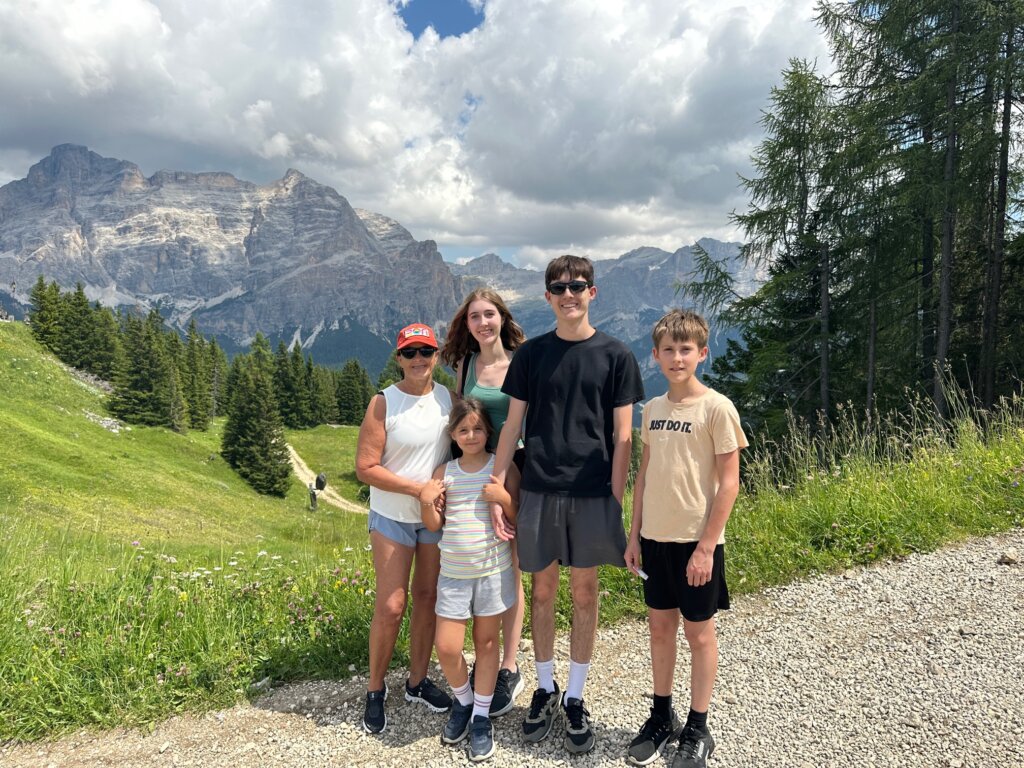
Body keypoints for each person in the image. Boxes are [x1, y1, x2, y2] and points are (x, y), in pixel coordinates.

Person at [491, 255, 645, 754]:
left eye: (578, 285)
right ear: (548, 297)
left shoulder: (616, 355)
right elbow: (512, 426)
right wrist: (496, 486)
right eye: (559, 287)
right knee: (541, 592)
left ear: (592, 292)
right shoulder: (531, 355)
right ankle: (544, 686)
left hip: (592, 492)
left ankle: (575, 696)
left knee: (584, 592)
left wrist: (614, 499)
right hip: (538, 487)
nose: (569, 293)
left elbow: (624, 437)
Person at [623, 309, 747, 768]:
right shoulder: (652, 410)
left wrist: (706, 547)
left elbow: (730, 482)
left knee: (698, 632)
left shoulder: (717, 408)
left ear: (702, 353)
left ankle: (698, 726)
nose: (677, 358)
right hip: (655, 539)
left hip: (697, 543)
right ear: (655, 356)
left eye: (686, 349)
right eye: (669, 350)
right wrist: (633, 535)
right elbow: (645, 476)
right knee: (659, 628)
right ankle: (661, 716)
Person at [355, 322, 454, 733]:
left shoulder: (447, 397)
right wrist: (419, 489)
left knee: (427, 597)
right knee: (392, 605)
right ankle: (375, 688)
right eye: (410, 353)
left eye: (426, 352)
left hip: (431, 518)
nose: (418, 360)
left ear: (436, 357)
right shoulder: (383, 402)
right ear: (398, 358)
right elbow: (365, 468)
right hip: (393, 516)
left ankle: (416, 681)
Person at [440, 288, 527, 716]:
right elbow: (461, 413)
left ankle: (508, 664)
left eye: (489, 315)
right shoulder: (464, 365)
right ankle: (488, 661)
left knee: (509, 556)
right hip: (473, 461)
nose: (482, 323)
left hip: (516, 464)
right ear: (467, 324)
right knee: (485, 550)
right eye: (475, 317)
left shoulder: (521, 362)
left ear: (502, 318)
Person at [419, 398, 520, 762]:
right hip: (454, 576)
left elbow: (515, 513)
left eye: (478, 428)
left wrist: (503, 496)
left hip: (492, 571)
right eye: (464, 429)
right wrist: (426, 502)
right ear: (453, 434)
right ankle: (463, 700)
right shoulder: (444, 472)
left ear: (488, 432)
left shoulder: (499, 467)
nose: (472, 434)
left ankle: (480, 715)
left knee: (487, 644)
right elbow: (434, 525)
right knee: (446, 647)